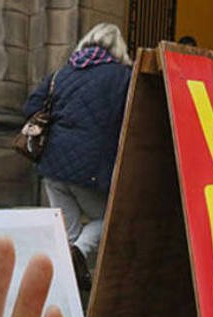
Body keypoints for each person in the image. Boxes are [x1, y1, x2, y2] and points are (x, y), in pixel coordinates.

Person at [23, 23, 132, 292]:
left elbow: (30, 107)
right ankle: (78, 257)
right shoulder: (123, 77)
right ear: (117, 47)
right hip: (90, 168)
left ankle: (66, 287)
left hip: (51, 164)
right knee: (110, 219)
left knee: (68, 232)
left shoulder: (60, 74)